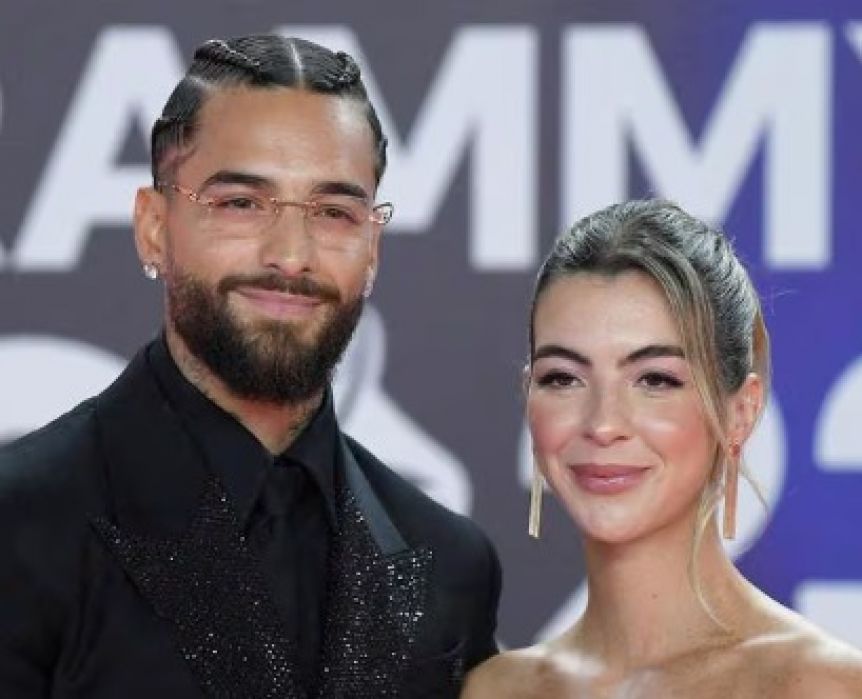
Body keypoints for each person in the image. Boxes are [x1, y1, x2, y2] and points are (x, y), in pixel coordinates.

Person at [0, 35, 500, 698]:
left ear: (372, 248)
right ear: (154, 227)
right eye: (241, 202)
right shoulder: (20, 526)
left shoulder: (450, 567)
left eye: (334, 212)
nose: (290, 255)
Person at [462, 199, 862, 698]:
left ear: (741, 411)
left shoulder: (823, 686)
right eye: (563, 378)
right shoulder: (494, 689)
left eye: (655, 379)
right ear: (529, 398)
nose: (603, 424)